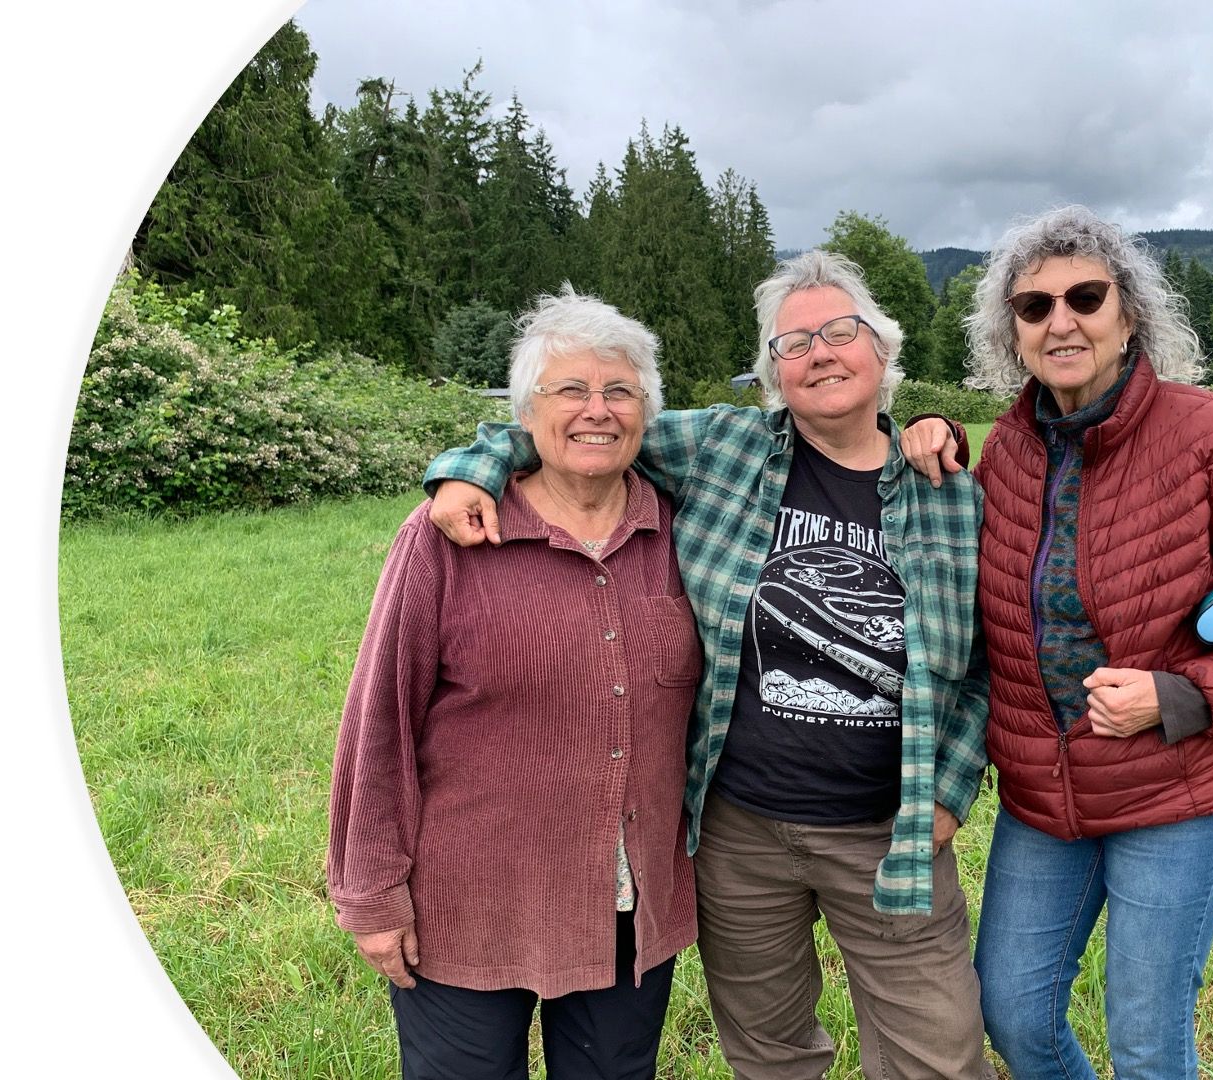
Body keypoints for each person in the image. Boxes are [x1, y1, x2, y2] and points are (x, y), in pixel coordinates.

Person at [425, 251, 994, 1079]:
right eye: (792, 343)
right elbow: (581, 423)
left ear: (884, 350)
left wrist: (948, 794)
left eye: (842, 332)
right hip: (738, 832)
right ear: (771, 371)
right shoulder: (724, 449)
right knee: (769, 1054)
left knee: (938, 1057)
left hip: (890, 831)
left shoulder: (951, 493)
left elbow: (986, 664)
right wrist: (468, 471)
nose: (820, 353)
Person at [901, 205, 1213, 1080]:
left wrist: (1179, 697)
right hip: (1048, 793)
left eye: (1085, 296)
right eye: (1034, 307)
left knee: (1147, 1039)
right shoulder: (1010, 451)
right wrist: (935, 436)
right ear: (1014, 335)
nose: (1060, 320)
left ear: (1129, 312)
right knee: (1012, 1009)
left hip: (1183, 789)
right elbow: (968, 558)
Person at [327, 288, 701, 1080]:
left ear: (648, 414)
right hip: (469, 907)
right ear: (524, 414)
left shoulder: (685, 529)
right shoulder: (448, 538)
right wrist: (370, 891)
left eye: (619, 391)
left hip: (626, 914)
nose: (595, 410)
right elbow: (379, 718)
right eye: (569, 389)